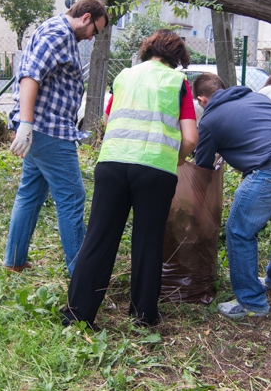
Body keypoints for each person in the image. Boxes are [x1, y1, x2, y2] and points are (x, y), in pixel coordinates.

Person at [61, 30, 198, 328]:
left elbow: (110, 121)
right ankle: (143, 315)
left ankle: (77, 314)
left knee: (98, 238)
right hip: (155, 170)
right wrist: (176, 158)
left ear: (148, 50)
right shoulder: (177, 82)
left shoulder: (123, 76)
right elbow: (190, 136)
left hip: (112, 163)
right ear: (177, 59)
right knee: (147, 241)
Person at [192, 72, 271, 319]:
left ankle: (251, 301)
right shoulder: (255, 98)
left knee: (239, 230)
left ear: (201, 99)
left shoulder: (210, 120)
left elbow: (202, 169)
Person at [4, 0, 109, 276]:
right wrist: (26, 122)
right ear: (85, 17)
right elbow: (30, 76)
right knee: (72, 196)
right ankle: (81, 273)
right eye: (94, 31)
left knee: (30, 193)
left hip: (41, 130)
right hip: (49, 130)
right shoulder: (59, 34)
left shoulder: (56, 29)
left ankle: (14, 259)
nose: (91, 38)